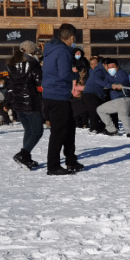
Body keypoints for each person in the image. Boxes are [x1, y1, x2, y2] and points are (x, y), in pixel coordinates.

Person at [40, 23, 83, 175]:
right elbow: (64, 74)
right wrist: (77, 75)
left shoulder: (50, 50)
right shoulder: (63, 51)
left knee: (70, 127)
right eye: (74, 38)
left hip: (51, 94)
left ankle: (71, 159)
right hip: (58, 95)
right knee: (59, 132)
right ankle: (53, 166)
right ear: (71, 37)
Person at [5, 40, 43, 170]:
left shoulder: (11, 64)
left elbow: (10, 86)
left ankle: (26, 157)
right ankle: (23, 154)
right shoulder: (33, 63)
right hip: (31, 102)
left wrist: (8, 102)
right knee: (37, 131)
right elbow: (40, 84)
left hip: (18, 103)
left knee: (29, 130)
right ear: (32, 51)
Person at [96, 58, 130, 137]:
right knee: (100, 110)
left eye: (113, 67)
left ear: (117, 67)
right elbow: (105, 84)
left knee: (122, 114)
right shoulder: (108, 76)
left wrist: (119, 85)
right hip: (115, 101)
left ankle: (129, 132)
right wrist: (110, 85)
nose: (111, 69)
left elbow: (122, 81)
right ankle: (112, 130)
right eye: (109, 67)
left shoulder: (121, 73)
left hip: (125, 99)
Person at [82, 57, 110, 134]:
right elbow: (98, 80)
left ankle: (99, 127)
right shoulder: (95, 71)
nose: (93, 65)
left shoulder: (100, 70)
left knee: (99, 111)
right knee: (93, 111)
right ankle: (95, 128)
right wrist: (109, 85)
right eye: (91, 64)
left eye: (95, 63)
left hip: (97, 94)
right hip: (90, 93)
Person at [70, 50, 90, 129]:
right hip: (74, 93)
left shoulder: (84, 61)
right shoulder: (71, 62)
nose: (78, 54)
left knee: (84, 105)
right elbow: (73, 86)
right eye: (76, 53)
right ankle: (77, 121)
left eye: (79, 53)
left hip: (82, 93)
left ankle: (84, 122)